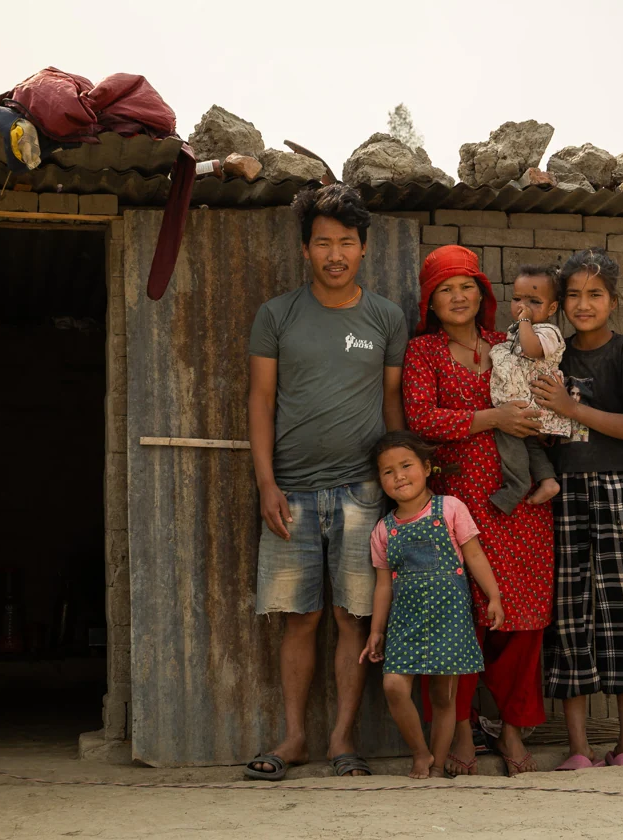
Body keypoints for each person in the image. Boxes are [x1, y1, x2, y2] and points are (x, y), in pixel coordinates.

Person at [245, 184, 407, 781]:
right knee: (298, 617)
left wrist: (399, 489)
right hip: (291, 493)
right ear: (305, 250)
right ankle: (293, 738)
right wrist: (267, 483)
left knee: (352, 618)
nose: (334, 253)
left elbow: (392, 406)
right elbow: (260, 402)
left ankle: (343, 740)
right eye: (322, 243)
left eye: (346, 242)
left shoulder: (386, 317)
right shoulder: (277, 315)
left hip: (364, 493)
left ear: (363, 248)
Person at [403, 244, 554, 777]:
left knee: (522, 620)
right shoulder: (422, 353)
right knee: (457, 619)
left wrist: (533, 425)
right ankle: (460, 727)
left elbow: (539, 399)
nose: (458, 296)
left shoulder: (505, 344)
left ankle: (512, 729)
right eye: (445, 289)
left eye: (467, 285)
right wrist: (493, 418)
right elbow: (422, 419)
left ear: (483, 294)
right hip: (458, 506)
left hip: (520, 506)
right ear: (431, 301)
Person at [531, 248, 623, 770]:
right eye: (574, 295)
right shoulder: (551, 356)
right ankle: (579, 749)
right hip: (565, 497)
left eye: (595, 295)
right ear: (560, 303)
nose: (584, 305)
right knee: (569, 616)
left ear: (613, 300)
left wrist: (572, 408)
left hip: (619, 491)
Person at [359, 430, 505, 779]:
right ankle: (420, 753)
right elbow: (383, 587)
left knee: (443, 697)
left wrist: (494, 596)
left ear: (426, 468)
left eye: (406, 466)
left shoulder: (451, 509)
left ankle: (437, 766)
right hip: (405, 623)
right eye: (388, 471)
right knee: (394, 686)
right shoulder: (383, 530)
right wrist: (376, 631)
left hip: (449, 618)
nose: (399, 476)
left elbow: (474, 555)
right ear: (380, 480)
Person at [487, 264, 570, 514]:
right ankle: (548, 481)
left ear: (552, 308)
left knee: (508, 436)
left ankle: (517, 486)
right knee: (529, 444)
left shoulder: (548, 332)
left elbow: (533, 350)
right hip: (525, 404)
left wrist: (523, 320)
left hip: (529, 403)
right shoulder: (518, 331)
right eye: (517, 299)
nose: (523, 306)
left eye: (534, 301)